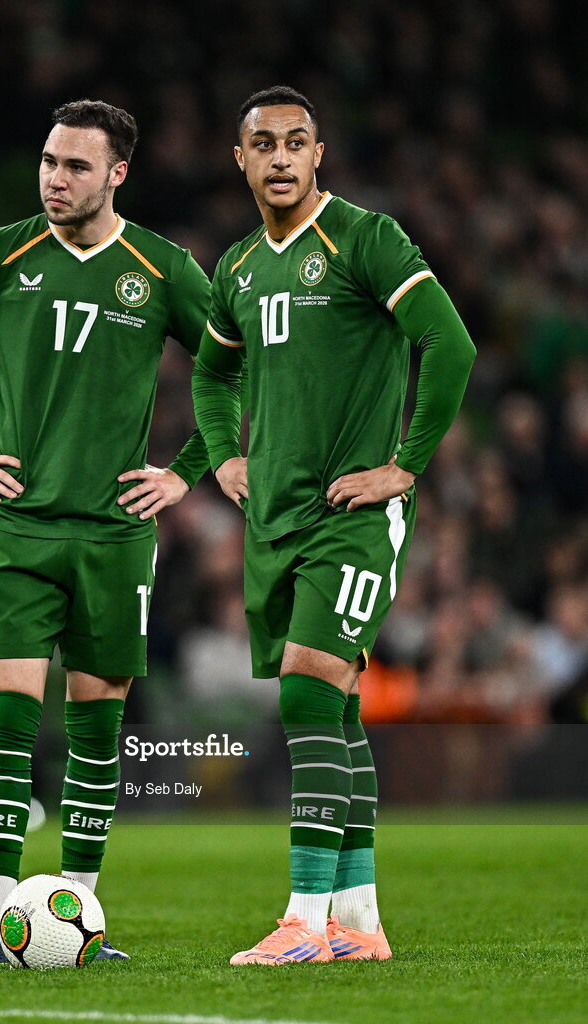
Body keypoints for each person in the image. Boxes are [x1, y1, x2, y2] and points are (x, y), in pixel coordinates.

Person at [0, 99, 212, 964]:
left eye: (75, 165)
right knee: (6, 714)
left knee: (97, 726)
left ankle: (82, 914)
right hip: (18, 528)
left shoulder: (163, 268)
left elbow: (240, 367)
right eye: (47, 161)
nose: (55, 179)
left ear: (117, 174)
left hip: (115, 534)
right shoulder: (1, 253)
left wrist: (185, 470)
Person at [192, 86, 476, 965]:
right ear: (240, 160)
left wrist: (407, 464)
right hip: (273, 519)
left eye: (296, 142)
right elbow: (211, 374)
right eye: (263, 144)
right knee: (336, 709)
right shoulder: (239, 267)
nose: (280, 157)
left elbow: (450, 343)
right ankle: (358, 923)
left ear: (319, 154)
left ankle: (304, 921)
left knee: (308, 689)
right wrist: (223, 456)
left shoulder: (364, 238)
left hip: (352, 515)